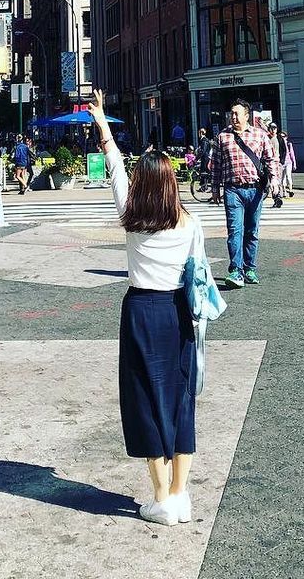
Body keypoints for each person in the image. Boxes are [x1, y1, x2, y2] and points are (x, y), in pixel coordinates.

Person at [88, 88, 201, 527]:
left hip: (140, 311)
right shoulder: (189, 222)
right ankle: (180, 494)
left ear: (141, 183)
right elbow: (199, 271)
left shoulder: (132, 215)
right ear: (172, 184)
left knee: (145, 399)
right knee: (180, 398)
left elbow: (114, 164)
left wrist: (102, 120)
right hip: (178, 311)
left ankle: (160, 498)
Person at [209, 98, 280, 288]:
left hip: (255, 190)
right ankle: (235, 270)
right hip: (232, 189)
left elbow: (271, 159)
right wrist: (215, 188)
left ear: (246, 116)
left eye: (236, 114)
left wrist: (274, 180)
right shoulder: (222, 137)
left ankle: (250, 268)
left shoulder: (260, 135)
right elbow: (216, 164)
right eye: (231, 114)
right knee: (235, 230)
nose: (233, 117)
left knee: (251, 231)